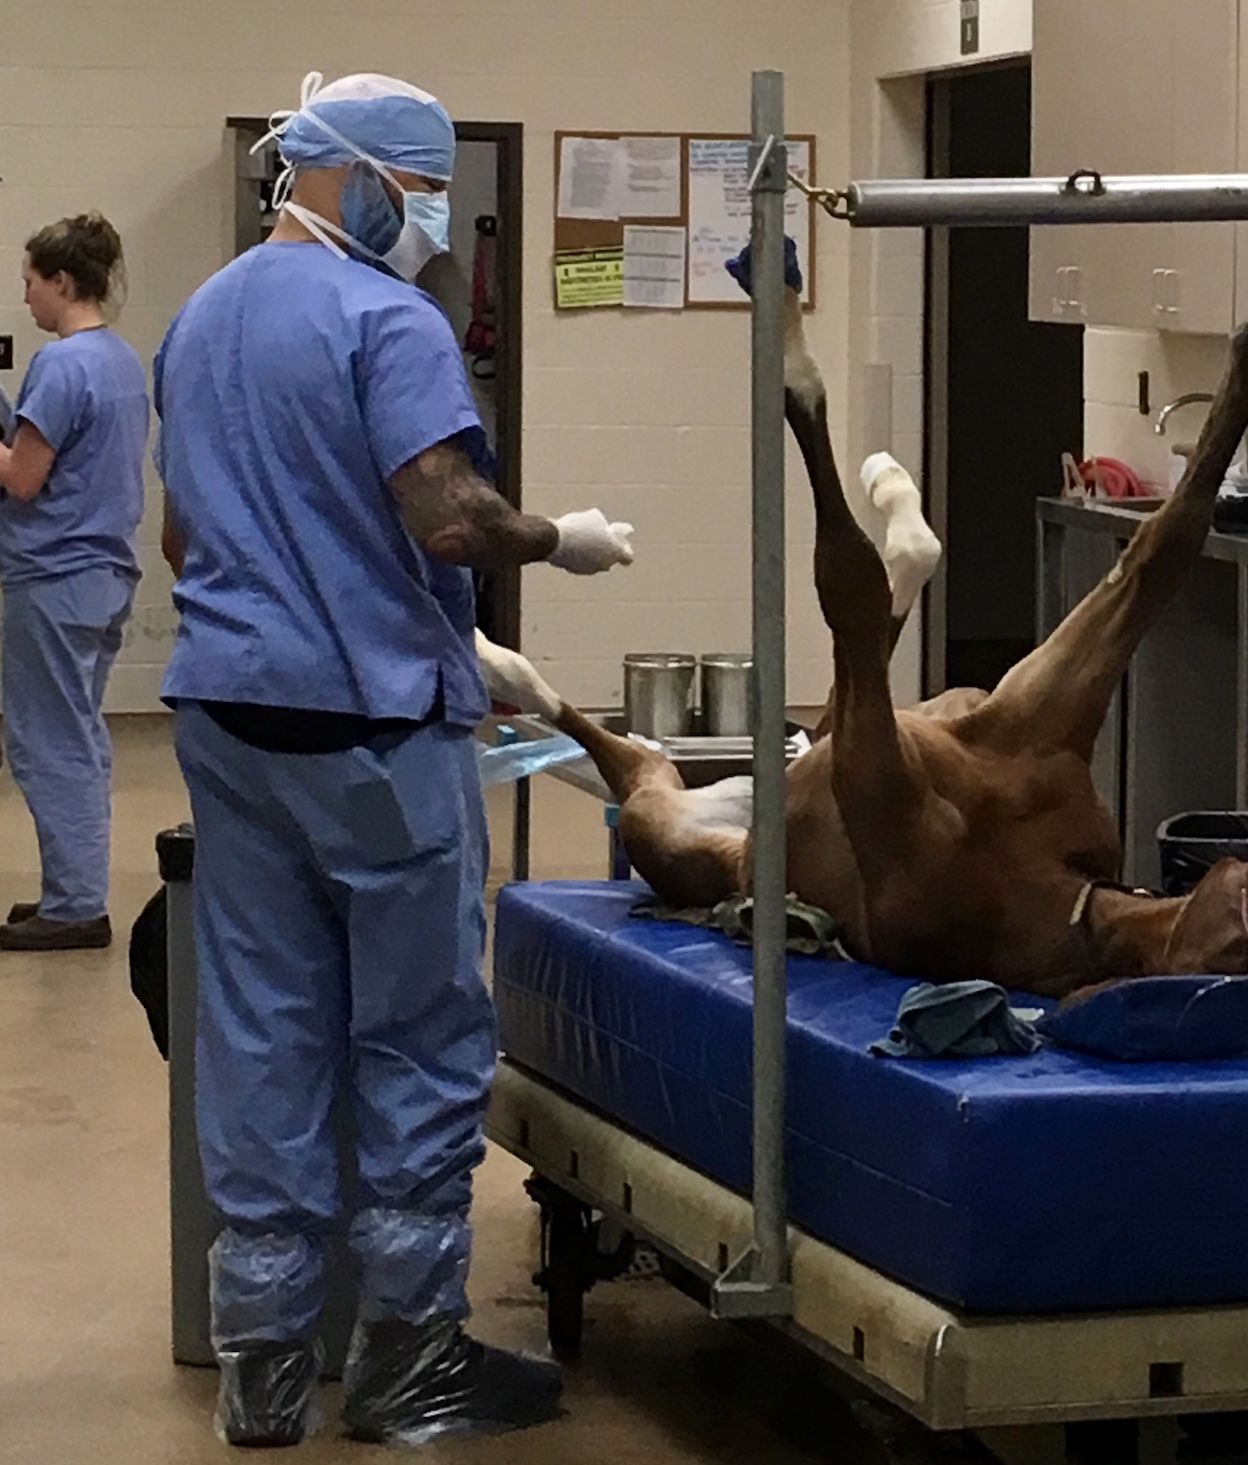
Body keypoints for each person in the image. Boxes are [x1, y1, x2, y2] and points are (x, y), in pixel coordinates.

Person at [154, 72, 636, 1448]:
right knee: (418, 1034)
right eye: (420, 194)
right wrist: (560, 539)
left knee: (263, 1024)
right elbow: (447, 516)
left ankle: (259, 1364)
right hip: (369, 733)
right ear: (355, 181)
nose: (426, 219)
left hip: (231, 724)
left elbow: (189, 543)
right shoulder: (387, 318)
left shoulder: (200, 318)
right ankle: (409, 1356)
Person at [0, 214, 148, 952]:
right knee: (79, 734)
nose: (25, 297)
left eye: (30, 282)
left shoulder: (60, 366)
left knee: (48, 741)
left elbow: (23, 477)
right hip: (102, 570)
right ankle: (71, 887)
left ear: (62, 281)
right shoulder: (120, 360)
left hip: (50, 572)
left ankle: (76, 904)